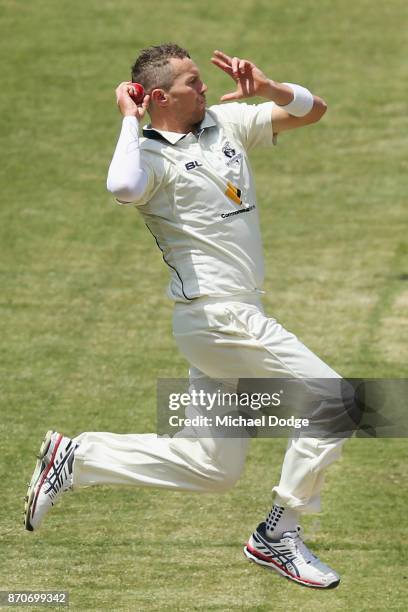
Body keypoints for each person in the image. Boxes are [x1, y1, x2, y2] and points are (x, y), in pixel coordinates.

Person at [25, 43, 349, 589]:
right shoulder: (147, 158)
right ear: (158, 97)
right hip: (219, 317)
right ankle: (277, 535)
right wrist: (130, 120)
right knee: (338, 402)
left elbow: (313, 110)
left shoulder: (225, 124)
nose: (204, 88)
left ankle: (79, 457)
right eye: (191, 83)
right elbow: (121, 187)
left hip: (231, 319)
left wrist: (269, 89)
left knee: (213, 468)